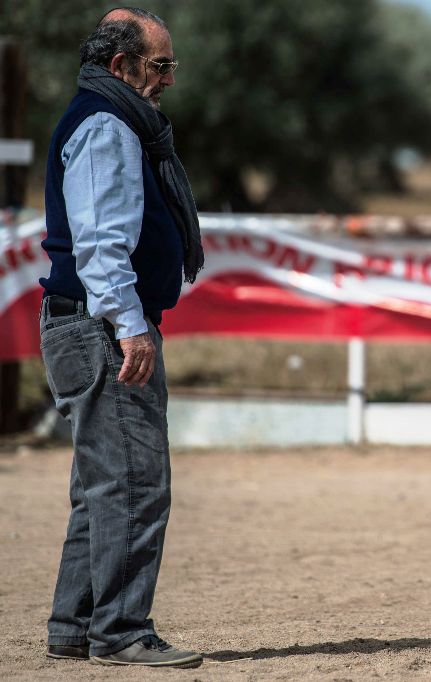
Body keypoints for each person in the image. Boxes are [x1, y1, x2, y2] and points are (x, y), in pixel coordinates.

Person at [38, 7, 204, 668]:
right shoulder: (109, 125)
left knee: (102, 486)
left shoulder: (107, 118)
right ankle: (121, 631)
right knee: (134, 482)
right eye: (160, 66)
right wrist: (131, 329)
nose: (167, 80)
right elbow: (101, 245)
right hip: (101, 325)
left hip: (85, 323)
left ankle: (77, 624)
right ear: (122, 67)